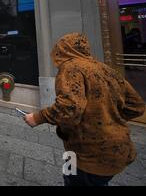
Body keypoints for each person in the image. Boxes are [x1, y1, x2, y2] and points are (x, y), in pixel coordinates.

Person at [23, 33, 145, 186]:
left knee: (73, 179)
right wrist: (109, 118)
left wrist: (37, 118)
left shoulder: (71, 67)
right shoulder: (106, 69)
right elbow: (137, 106)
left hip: (85, 152)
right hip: (119, 149)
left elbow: (70, 107)